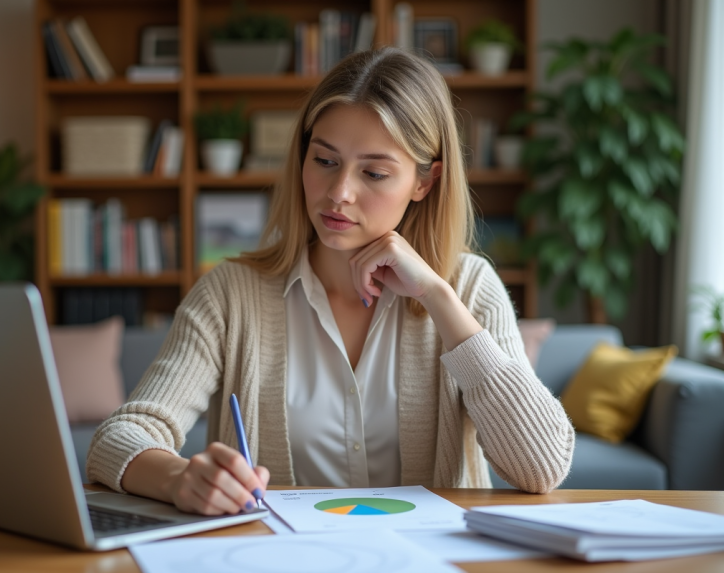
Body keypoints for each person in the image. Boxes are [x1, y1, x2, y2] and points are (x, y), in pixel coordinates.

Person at [87, 47, 575, 516]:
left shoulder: (468, 288)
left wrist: (439, 298)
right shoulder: (230, 295)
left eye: (375, 173)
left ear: (424, 182)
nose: (339, 193)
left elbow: (542, 468)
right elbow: (117, 440)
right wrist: (179, 479)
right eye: (324, 161)